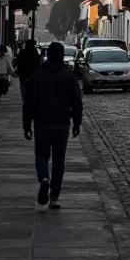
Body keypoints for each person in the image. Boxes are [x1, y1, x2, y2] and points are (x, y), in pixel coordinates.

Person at [23, 41, 83, 209]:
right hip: (62, 123)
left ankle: (43, 178)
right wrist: (77, 123)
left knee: (42, 155)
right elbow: (77, 101)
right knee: (59, 159)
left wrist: (27, 124)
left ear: (48, 54)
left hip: (42, 122)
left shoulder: (37, 75)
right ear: (62, 55)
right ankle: (54, 197)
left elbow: (28, 102)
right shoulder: (68, 75)